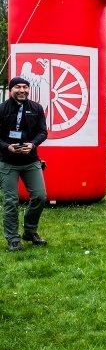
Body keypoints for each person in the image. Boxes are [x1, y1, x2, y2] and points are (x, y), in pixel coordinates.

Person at [0, 76, 48, 251]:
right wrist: (7, 147)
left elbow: (43, 131)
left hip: (30, 160)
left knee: (40, 196)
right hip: (8, 162)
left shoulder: (36, 108)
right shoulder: (2, 109)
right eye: (18, 87)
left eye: (25, 87)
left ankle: (30, 231)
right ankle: (13, 238)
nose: (22, 90)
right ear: (11, 90)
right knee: (11, 201)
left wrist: (32, 144)